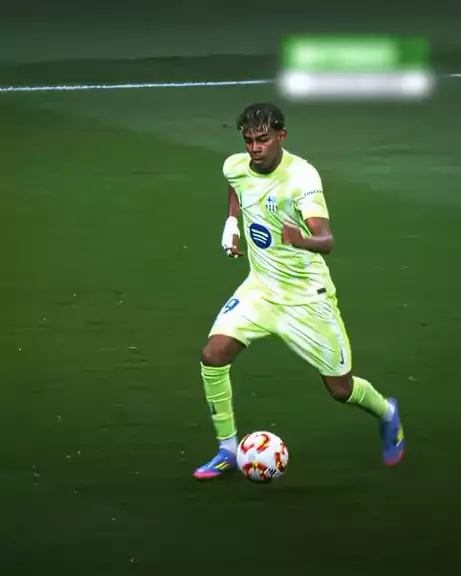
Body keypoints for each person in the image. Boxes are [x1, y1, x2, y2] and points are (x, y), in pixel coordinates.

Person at [193, 102, 404, 479]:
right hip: (261, 288)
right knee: (213, 354)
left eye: (263, 139)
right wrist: (231, 222)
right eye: (249, 141)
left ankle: (387, 413)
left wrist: (300, 239)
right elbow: (237, 184)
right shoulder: (236, 165)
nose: (255, 148)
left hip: (307, 298)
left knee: (340, 389)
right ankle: (227, 448)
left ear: (282, 136)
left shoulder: (302, 178)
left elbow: (326, 239)